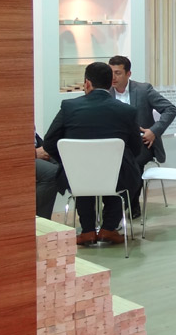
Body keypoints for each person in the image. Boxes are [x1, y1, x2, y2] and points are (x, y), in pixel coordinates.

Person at [43, 62, 142, 246]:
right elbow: (136, 148)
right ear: (110, 83)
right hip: (115, 177)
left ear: (87, 83)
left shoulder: (69, 107)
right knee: (127, 174)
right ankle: (108, 228)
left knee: (82, 174)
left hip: (78, 176)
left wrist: (68, 160)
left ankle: (87, 231)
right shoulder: (126, 111)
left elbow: (49, 142)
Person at [108, 55, 176, 219]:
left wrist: (154, 130)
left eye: (117, 73)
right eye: (110, 73)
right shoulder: (105, 92)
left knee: (134, 162)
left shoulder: (143, 90)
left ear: (128, 74)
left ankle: (128, 204)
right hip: (114, 144)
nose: (113, 77)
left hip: (142, 142)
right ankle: (116, 205)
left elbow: (170, 109)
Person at [35, 132, 58, 219]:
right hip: (20, 156)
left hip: (36, 146)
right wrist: (33, 153)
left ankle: (87, 223)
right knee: (52, 172)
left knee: (66, 166)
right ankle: (40, 221)